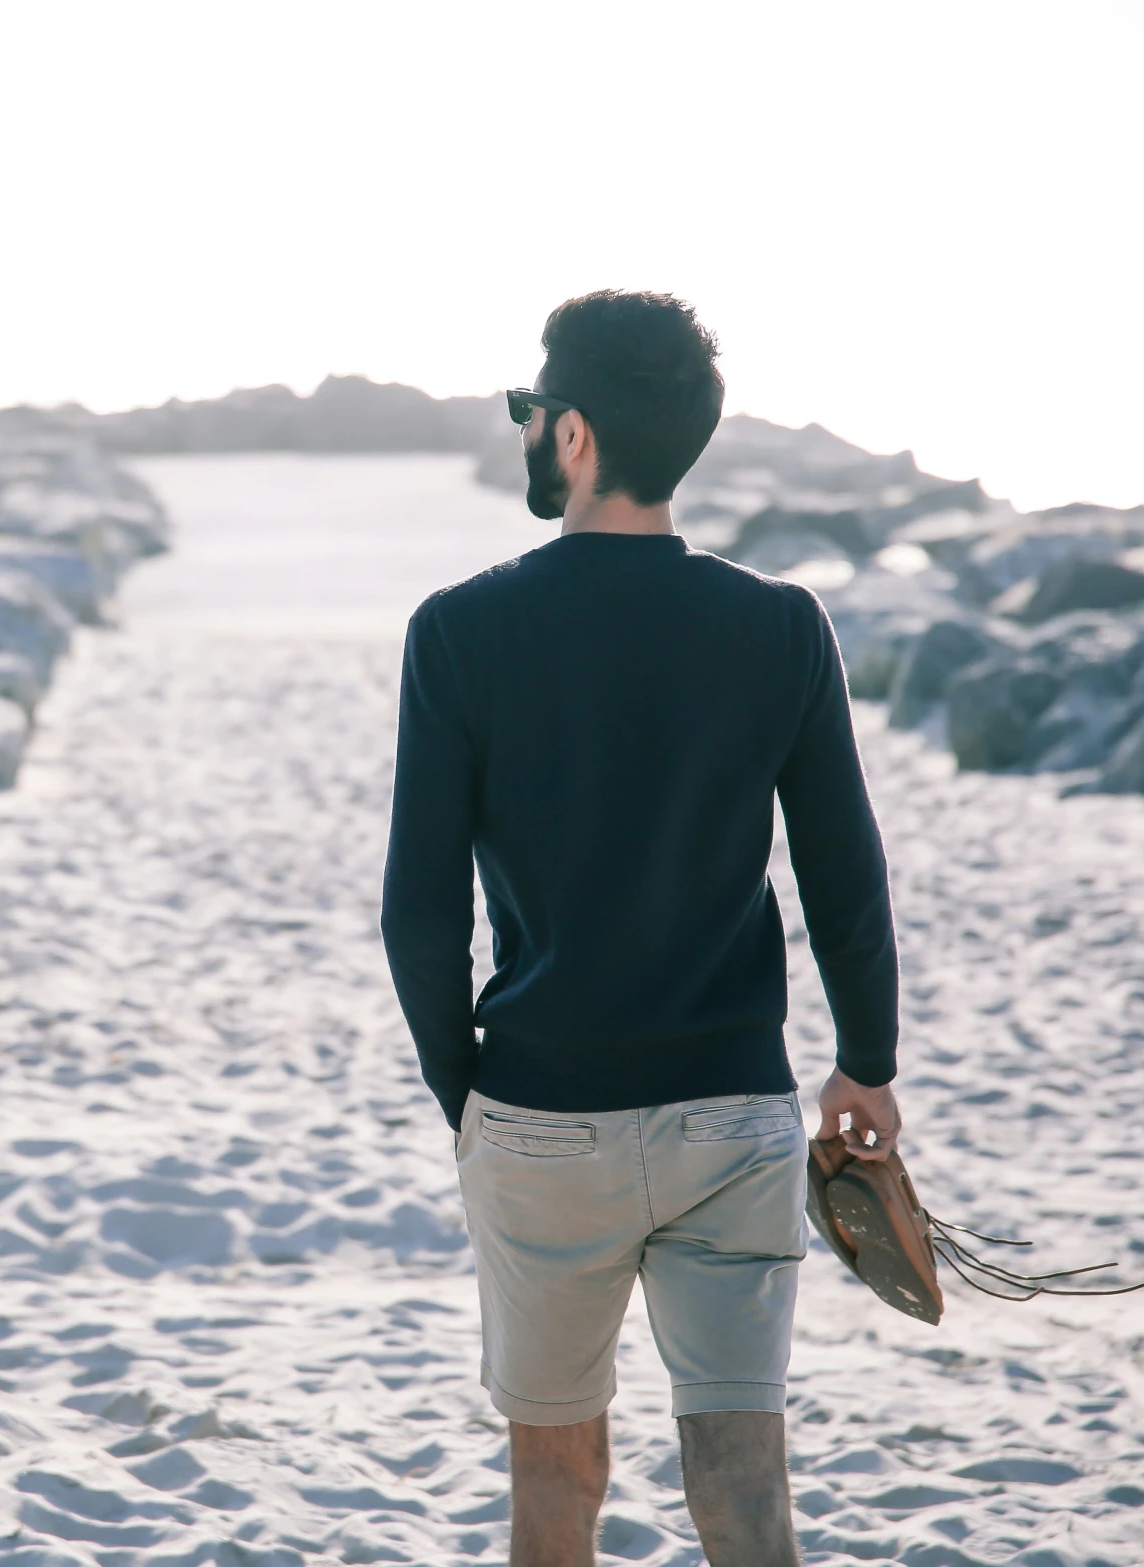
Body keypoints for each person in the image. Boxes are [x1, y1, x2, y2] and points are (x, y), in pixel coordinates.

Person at [379, 290, 903, 1567]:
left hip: (542, 1122)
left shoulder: (458, 629)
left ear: (571, 435)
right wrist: (867, 1064)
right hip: (729, 1113)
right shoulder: (779, 624)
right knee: (741, 1489)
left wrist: (470, 1095)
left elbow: (416, 910)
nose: (522, 429)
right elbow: (843, 870)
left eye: (526, 409)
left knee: (554, 1483)